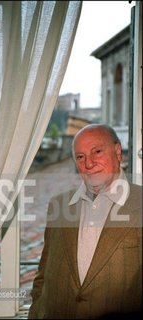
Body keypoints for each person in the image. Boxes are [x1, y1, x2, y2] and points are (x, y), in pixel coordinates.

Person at [28, 124, 142, 319]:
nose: (88, 163)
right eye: (80, 157)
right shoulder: (59, 204)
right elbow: (44, 273)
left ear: (117, 152)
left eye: (97, 151)